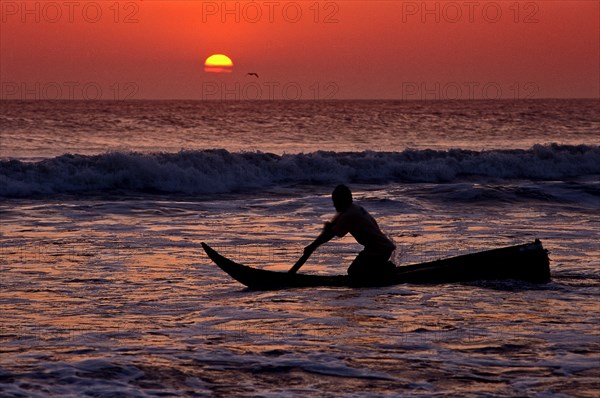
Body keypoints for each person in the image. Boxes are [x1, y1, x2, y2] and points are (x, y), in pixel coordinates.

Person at [289, 184, 396, 284]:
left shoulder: (349, 215)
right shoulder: (353, 208)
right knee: (355, 271)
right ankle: (381, 269)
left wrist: (312, 246)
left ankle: (387, 269)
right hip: (377, 248)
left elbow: (330, 234)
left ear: (343, 200)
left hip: (379, 250)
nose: (334, 204)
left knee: (354, 272)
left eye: (336, 201)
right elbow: (333, 225)